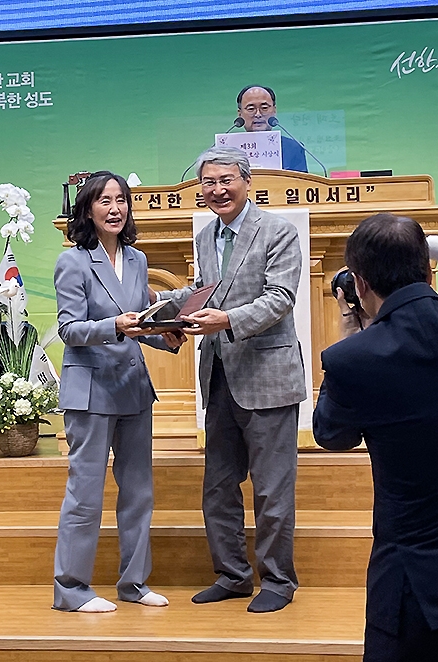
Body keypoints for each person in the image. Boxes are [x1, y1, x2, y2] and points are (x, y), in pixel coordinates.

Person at [154, 146, 306, 613]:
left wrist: (227, 321)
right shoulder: (205, 234)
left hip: (268, 375)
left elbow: (281, 298)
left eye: (225, 180)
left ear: (246, 182)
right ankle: (233, 575)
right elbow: (207, 289)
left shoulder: (277, 230)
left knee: (271, 488)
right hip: (219, 376)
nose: (216, 190)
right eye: (208, 182)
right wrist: (164, 311)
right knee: (218, 486)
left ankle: (278, 581)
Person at [53, 170, 185, 613]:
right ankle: (72, 590)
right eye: (105, 201)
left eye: (122, 200)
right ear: (87, 209)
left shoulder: (138, 259)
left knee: (139, 492)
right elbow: (69, 330)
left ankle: (133, 584)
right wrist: (115, 325)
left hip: (132, 389)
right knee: (85, 495)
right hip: (90, 392)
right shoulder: (73, 261)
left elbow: (139, 322)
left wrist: (162, 334)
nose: (115, 208)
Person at [313, 213, 438, 661]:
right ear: (427, 269)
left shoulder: (355, 359)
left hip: (409, 575)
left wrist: (350, 335)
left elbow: (331, 434)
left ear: (360, 284)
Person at [236, 85, 308, 173]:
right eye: (251, 109)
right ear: (240, 114)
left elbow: (302, 184)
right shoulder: (224, 149)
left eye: (264, 108)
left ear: (274, 111)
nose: (258, 114)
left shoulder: (293, 148)